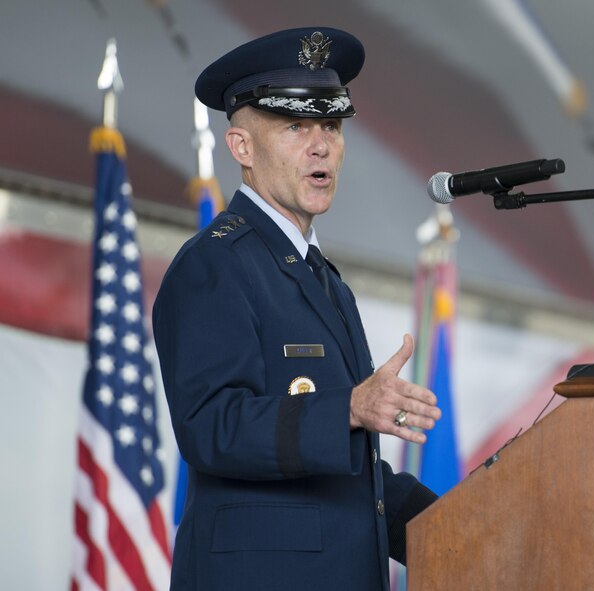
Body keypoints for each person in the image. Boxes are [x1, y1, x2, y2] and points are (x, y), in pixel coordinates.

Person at [152, 27, 441, 591]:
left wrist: (467, 515)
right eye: (294, 126)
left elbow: (346, 474)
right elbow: (212, 426)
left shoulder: (322, 278)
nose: (320, 145)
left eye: (330, 125)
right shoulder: (214, 265)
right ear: (241, 148)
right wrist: (350, 408)